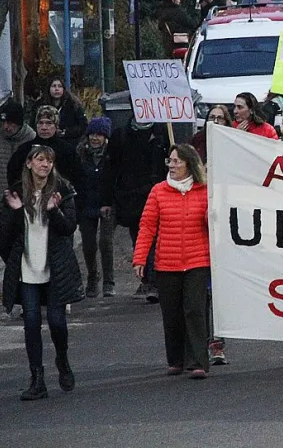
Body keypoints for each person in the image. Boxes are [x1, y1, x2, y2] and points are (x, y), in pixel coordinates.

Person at [0, 144, 82, 400]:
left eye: (49, 161)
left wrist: (54, 211)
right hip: (26, 267)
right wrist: (13, 213)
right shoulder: (15, 192)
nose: (45, 165)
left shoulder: (62, 189)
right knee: (31, 322)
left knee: (57, 321)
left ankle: (63, 361)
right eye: (40, 160)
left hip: (55, 267)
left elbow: (69, 228)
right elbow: (3, 236)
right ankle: (37, 379)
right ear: (29, 164)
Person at [133, 144, 211, 379]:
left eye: (177, 161)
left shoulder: (205, 191)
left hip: (198, 260)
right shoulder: (159, 191)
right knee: (172, 313)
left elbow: (214, 223)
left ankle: (198, 360)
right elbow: (147, 226)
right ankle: (176, 359)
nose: (172, 165)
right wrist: (140, 258)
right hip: (167, 262)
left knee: (195, 310)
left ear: (189, 163)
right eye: (170, 161)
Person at [101, 115, 168, 301]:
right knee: (138, 238)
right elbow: (110, 168)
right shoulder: (121, 134)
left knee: (154, 238)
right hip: (128, 196)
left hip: (153, 193)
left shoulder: (161, 133)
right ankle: (146, 278)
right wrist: (107, 199)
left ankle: (154, 283)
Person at [75, 117, 113, 298]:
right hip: (86, 204)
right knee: (88, 245)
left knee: (105, 242)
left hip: (107, 204)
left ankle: (109, 281)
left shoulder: (112, 154)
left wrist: (110, 202)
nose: (95, 138)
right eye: (92, 134)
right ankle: (92, 277)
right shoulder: (81, 154)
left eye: (99, 134)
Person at [8, 106, 82, 191]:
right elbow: (13, 176)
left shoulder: (68, 151)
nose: (44, 127)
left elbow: (78, 179)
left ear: (56, 126)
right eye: (40, 123)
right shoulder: (24, 150)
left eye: (49, 123)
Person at [0, 100, 35, 219]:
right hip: (1, 200)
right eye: (4, 122)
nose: (6, 126)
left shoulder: (31, 138)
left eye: (11, 123)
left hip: (25, 201)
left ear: (19, 123)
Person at [35, 76, 88, 148]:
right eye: (54, 86)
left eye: (59, 86)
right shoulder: (39, 105)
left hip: (69, 143)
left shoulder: (74, 105)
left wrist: (66, 132)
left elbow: (83, 126)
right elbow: (33, 123)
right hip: (45, 144)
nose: (56, 89)